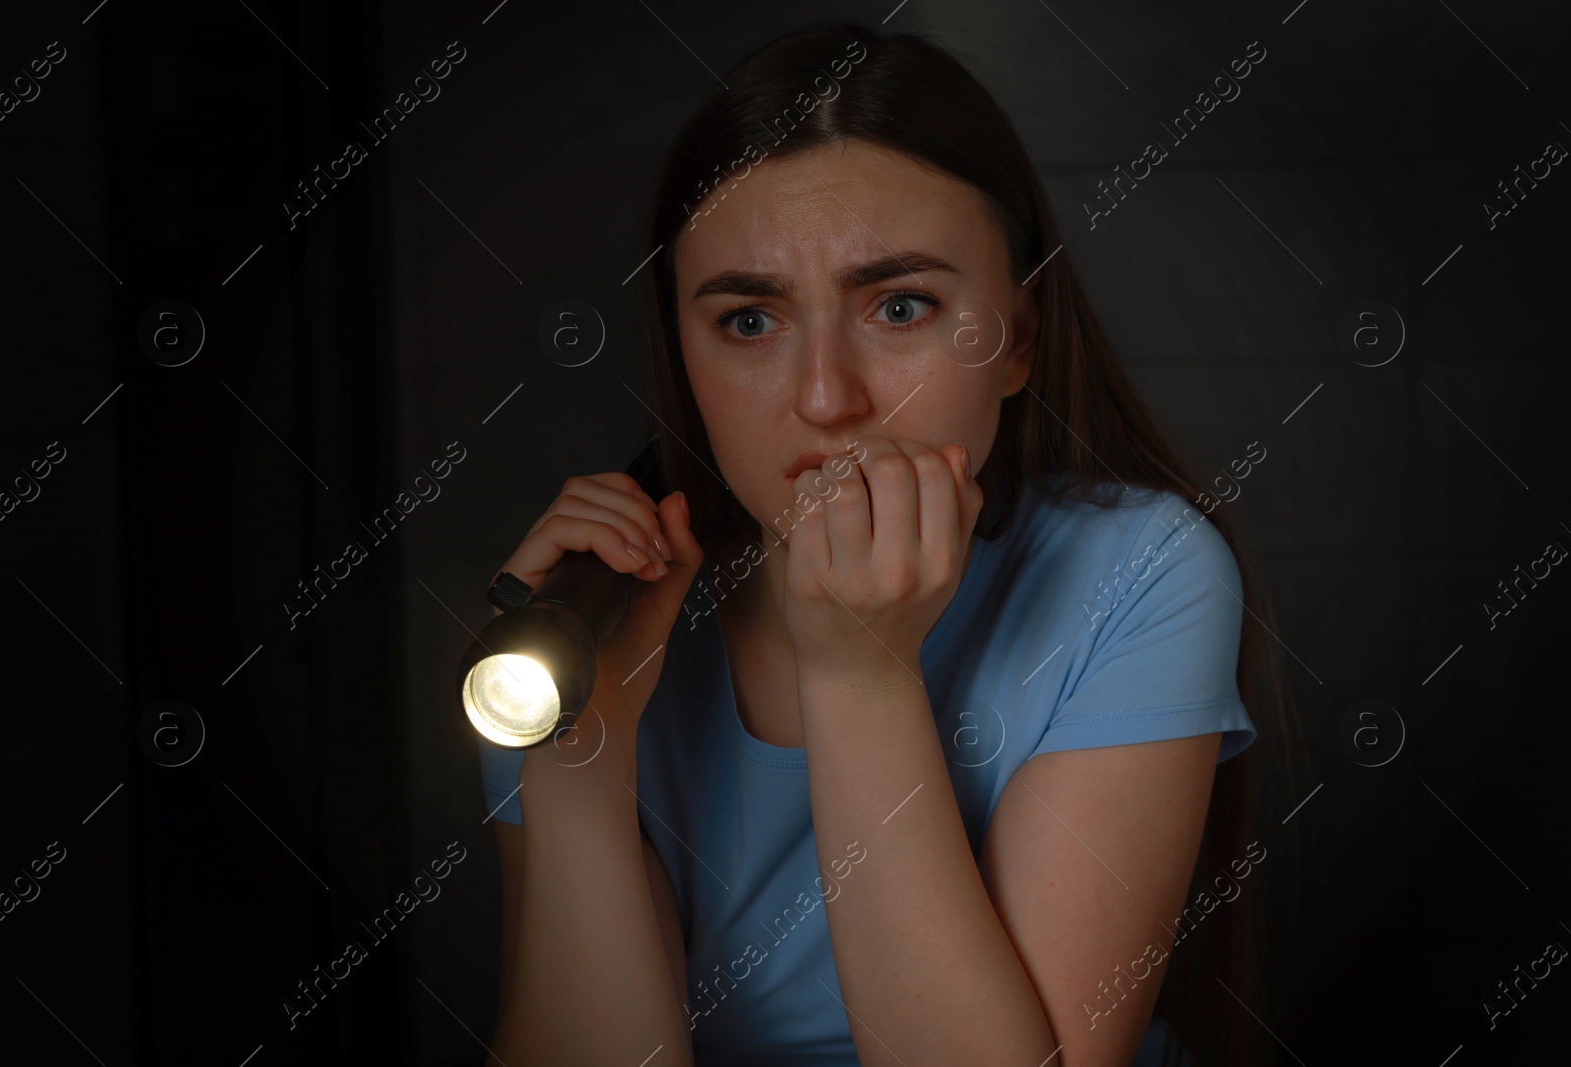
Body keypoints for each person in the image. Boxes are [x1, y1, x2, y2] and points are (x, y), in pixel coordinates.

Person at [480, 23, 1288, 1067]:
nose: (827, 397)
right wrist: (577, 768)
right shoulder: (571, 623)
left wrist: (859, 670)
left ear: (1016, 339)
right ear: (680, 348)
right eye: (749, 322)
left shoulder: (1138, 571)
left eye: (900, 306)